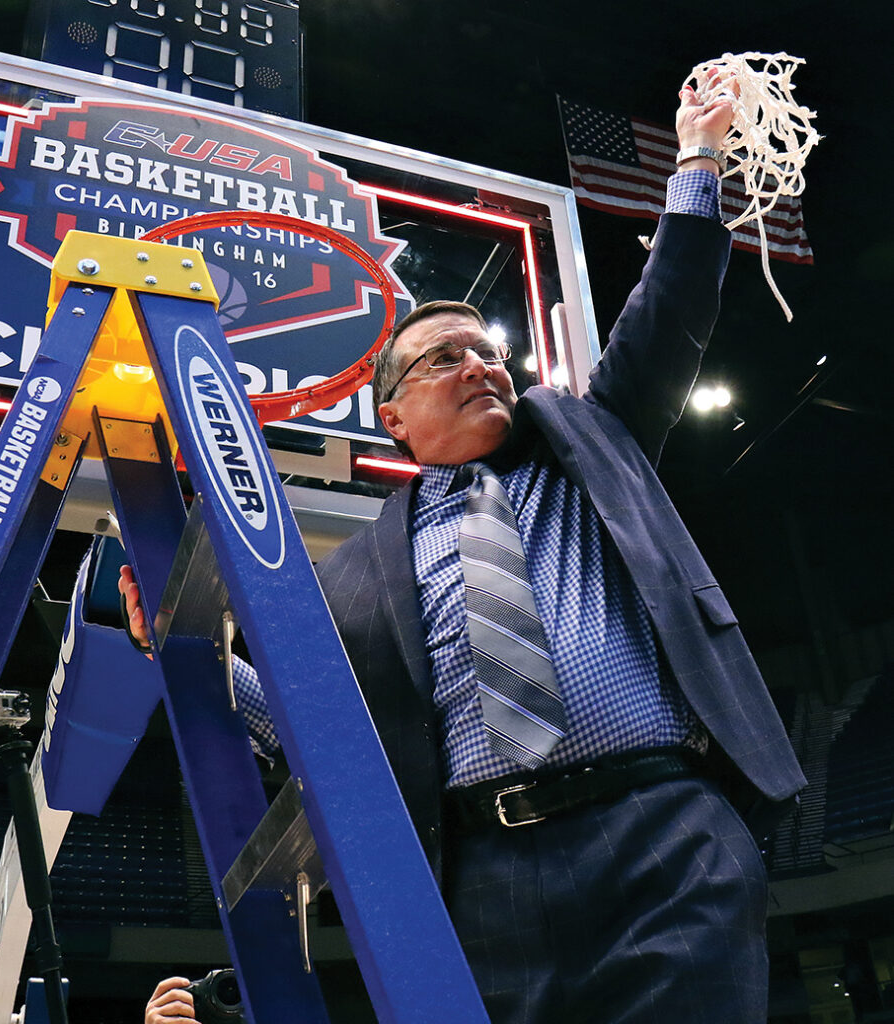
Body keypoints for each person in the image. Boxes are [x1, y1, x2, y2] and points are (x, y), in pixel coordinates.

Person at [128, 74, 805, 1024]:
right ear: (392, 416)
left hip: (663, 827)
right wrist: (183, 645)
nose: (480, 366)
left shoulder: (589, 445)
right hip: (483, 870)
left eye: (488, 353)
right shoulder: (348, 574)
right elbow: (312, 723)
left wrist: (696, 157)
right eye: (444, 358)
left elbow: (670, 309)